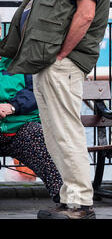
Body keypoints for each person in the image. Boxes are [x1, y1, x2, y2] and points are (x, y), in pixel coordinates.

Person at [0, 0, 110, 219]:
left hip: (61, 62)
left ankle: (80, 204)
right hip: (48, 61)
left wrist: (62, 53)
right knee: (53, 133)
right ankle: (67, 199)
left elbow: (85, 14)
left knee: (65, 132)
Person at [0, 56, 63, 202]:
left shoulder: (22, 60)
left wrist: (12, 106)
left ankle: (65, 199)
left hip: (21, 127)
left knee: (39, 138)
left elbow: (36, 90)